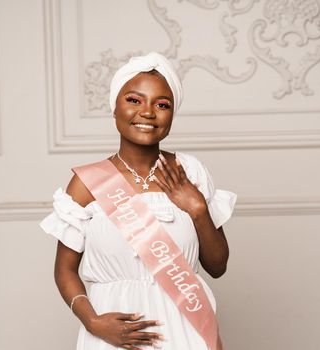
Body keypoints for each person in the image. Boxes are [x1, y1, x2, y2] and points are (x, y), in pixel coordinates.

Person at [39, 52, 237, 350]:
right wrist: (92, 322)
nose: (147, 112)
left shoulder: (191, 172)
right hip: (114, 333)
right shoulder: (86, 184)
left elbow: (217, 265)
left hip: (185, 328)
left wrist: (197, 209)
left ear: (172, 115)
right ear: (114, 108)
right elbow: (64, 270)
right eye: (134, 100)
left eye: (162, 105)